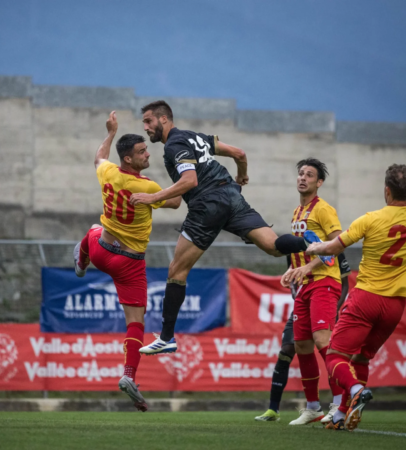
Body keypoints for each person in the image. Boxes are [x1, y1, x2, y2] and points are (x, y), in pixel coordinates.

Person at [131, 100, 323, 354]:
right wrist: (242, 175)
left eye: (148, 121)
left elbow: (189, 180)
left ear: (164, 119)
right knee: (274, 246)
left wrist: (151, 197)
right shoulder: (195, 137)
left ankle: (166, 338)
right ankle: (317, 244)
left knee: (177, 271)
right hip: (231, 195)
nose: (145, 127)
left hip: (207, 204)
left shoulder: (174, 146)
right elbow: (239, 153)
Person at [73, 111, 181, 411]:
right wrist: (179, 179)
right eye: (142, 152)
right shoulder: (146, 187)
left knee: (94, 229)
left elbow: (98, 158)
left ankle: (81, 262)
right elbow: (175, 201)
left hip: (101, 252)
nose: (148, 153)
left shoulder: (108, 173)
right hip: (130, 263)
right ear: (129, 159)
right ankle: (129, 376)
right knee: (136, 323)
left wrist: (109, 133)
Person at [305, 164, 406, 431]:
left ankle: (356, 389)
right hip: (396, 305)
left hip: (366, 299)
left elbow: (333, 247)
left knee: (335, 357)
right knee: (361, 357)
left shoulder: (370, 218)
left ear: (387, 191)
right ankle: (342, 413)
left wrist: (313, 246)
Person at [255, 159, 351, 424]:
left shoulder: (324, 209)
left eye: (309, 175)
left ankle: (339, 402)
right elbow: (303, 249)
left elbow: (336, 245)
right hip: (305, 287)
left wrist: (309, 267)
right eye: (300, 173)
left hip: (324, 282)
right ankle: (312, 407)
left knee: (322, 340)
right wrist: (293, 270)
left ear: (319, 182)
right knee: (301, 345)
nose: (303, 178)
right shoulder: (298, 212)